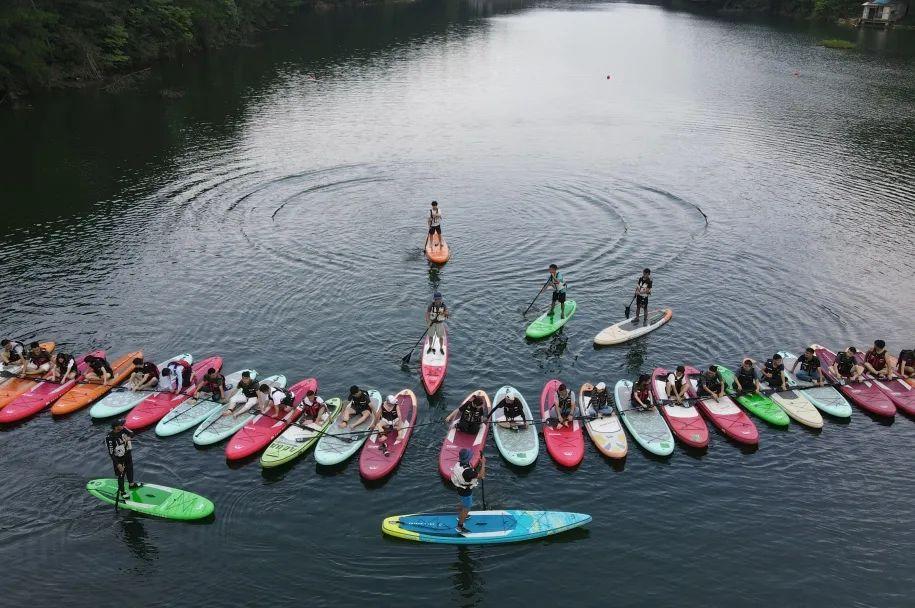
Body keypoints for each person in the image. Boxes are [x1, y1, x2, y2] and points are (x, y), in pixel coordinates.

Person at [451, 448, 485, 534]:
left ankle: (461, 516)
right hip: (466, 491)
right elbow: (481, 476)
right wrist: (483, 463)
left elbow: (471, 473)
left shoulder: (459, 464)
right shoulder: (467, 472)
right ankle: (460, 526)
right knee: (467, 507)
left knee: (463, 503)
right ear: (467, 458)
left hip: (460, 488)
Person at [105, 419, 141, 501]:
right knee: (121, 475)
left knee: (130, 469)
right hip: (119, 459)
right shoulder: (110, 438)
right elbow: (111, 453)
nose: (123, 425)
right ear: (116, 427)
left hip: (128, 454)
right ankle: (122, 492)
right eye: (120, 424)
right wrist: (118, 464)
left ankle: (131, 484)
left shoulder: (123, 429)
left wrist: (128, 438)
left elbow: (132, 433)